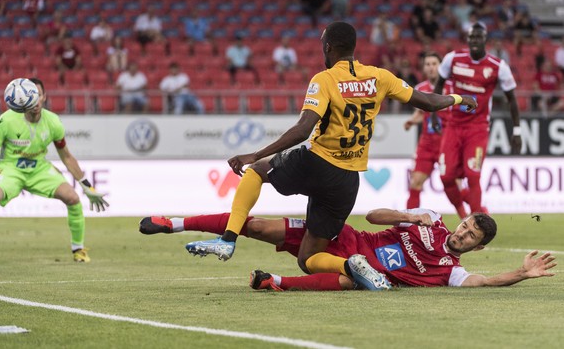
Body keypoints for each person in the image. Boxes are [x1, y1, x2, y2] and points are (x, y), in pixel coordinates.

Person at [182, 22, 477, 290]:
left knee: (258, 170)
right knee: (309, 257)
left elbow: (303, 129)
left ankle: (228, 240)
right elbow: (427, 101)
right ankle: (350, 265)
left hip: (317, 161)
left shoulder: (324, 79)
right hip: (347, 180)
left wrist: (255, 154)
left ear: (328, 47)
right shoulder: (380, 76)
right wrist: (461, 98)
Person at [139, 208, 556, 290]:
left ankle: (275, 282)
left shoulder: (452, 271)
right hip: (345, 235)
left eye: (470, 238)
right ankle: (173, 222)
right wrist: (408, 217)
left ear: (476, 248)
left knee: (347, 278)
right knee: (261, 226)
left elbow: (485, 280)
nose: (462, 234)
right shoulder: (430, 219)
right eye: (465, 226)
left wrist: (520, 273)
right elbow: (374, 217)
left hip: (358, 270)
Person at [0, 78, 108, 262]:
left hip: (39, 168)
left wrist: (87, 186)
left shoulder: (54, 122)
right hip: (10, 167)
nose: (35, 100)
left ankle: (78, 249)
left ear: (43, 97)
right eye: (30, 96)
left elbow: (66, 156)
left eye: (38, 95)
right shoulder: (7, 120)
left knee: (72, 198)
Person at [431, 23, 521, 217]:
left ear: (485, 40)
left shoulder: (498, 66)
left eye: (478, 37)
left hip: (477, 127)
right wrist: (433, 114)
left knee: (473, 175)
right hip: (453, 125)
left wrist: (517, 130)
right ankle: (465, 216)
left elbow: (512, 100)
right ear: (468, 39)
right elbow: (438, 85)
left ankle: (477, 223)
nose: (474, 41)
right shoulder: (453, 59)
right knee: (446, 177)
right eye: (471, 37)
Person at [404, 53, 453, 209]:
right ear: (424, 68)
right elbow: (420, 114)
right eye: (428, 64)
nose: (431, 67)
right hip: (427, 143)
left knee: (455, 184)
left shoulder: (451, 87)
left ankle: (473, 215)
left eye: (434, 64)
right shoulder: (420, 89)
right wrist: (411, 121)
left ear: (440, 66)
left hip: (447, 143)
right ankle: (409, 225)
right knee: (415, 182)